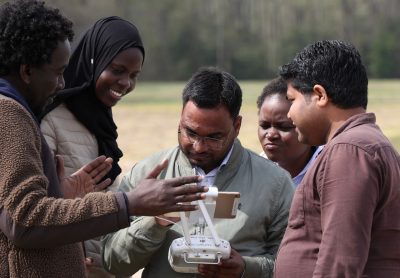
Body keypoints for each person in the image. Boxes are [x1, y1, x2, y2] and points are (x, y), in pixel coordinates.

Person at [0, 1, 207, 277]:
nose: (62, 84)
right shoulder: (10, 114)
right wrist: (129, 203)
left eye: (133, 75)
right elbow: (23, 221)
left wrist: (61, 195)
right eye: (59, 72)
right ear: (27, 71)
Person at [102, 67, 295, 278]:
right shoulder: (147, 174)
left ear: (237, 125)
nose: (199, 146)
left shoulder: (275, 184)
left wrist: (245, 269)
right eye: (190, 132)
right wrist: (155, 221)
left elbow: (291, 266)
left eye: (214, 137)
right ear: (181, 118)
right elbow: (113, 262)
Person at [274, 40, 400, 277]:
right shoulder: (366, 144)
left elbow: (341, 260)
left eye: (292, 100)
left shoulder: (349, 150)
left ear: (320, 95)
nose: (289, 113)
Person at [40, 16, 145, 277]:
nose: (126, 83)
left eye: (134, 75)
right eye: (118, 70)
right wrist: (66, 254)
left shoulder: (100, 119)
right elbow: (33, 212)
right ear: (92, 61)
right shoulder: (50, 118)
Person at [257, 77, 323, 186]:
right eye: (264, 126)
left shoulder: (327, 168)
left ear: (308, 124)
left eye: (283, 127)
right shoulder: (256, 171)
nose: (271, 135)